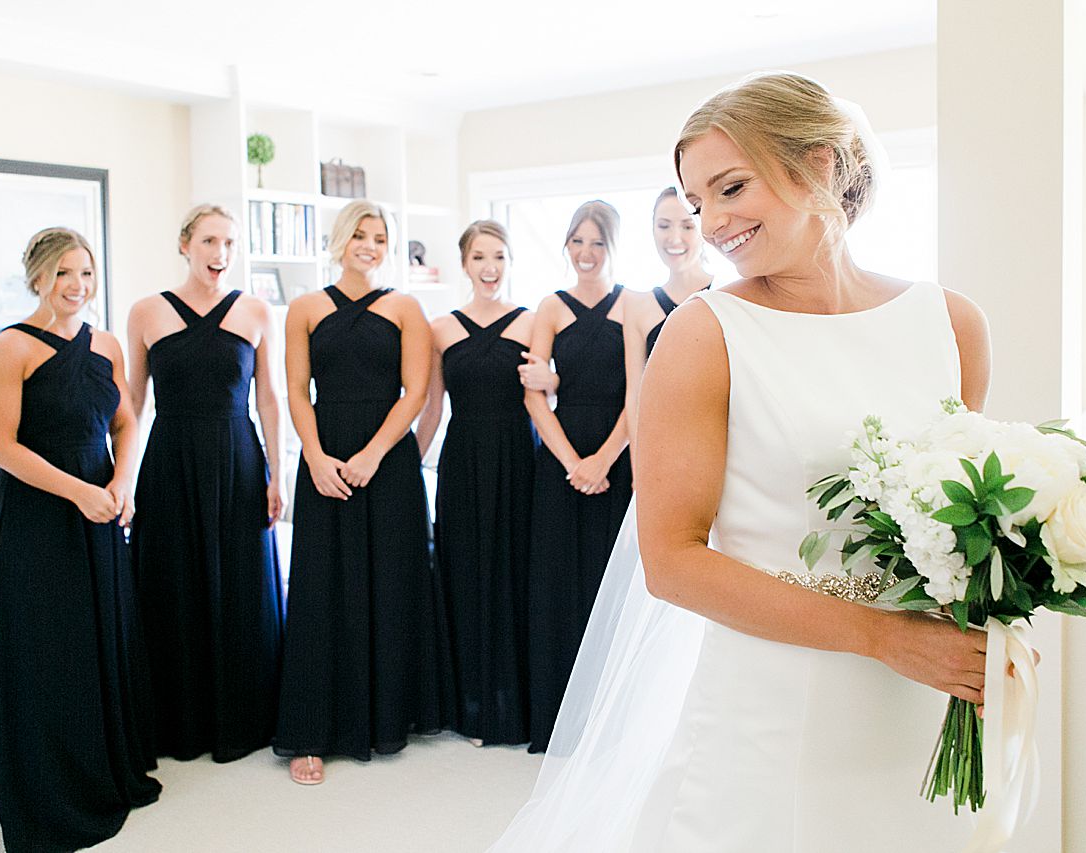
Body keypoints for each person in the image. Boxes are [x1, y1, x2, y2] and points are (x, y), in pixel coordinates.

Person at [492, 73, 993, 851]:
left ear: (820, 164)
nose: (711, 224)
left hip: (922, 697)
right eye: (697, 204)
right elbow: (672, 562)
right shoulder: (702, 333)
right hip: (775, 706)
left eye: (731, 188)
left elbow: (966, 522)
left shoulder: (952, 322)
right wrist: (882, 636)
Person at [0, 227, 160, 851]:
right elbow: (1, 447)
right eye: (62, 273)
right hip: (38, 514)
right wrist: (78, 492)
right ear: (36, 277)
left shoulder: (105, 344)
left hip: (101, 504)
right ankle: (49, 791)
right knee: (48, 645)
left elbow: (127, 418)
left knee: (100, 637)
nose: (76, 286)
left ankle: (103, 768)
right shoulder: (9, 348)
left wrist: (122, 480)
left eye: (85, 273)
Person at [274, 200, 449, 784]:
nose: (369, 245)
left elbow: (417, 391)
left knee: (392, 581)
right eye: (360, 235)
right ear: (340, 240)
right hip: (324, 458)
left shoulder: (405, 307)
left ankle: (387, 718)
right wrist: (316, 456)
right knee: (321, 589)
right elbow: (297, 390)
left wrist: (375, 453)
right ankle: (309, 735)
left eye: (379, 237)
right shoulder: (303, 308)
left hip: (388, 461)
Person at [127, 204, 286, 763]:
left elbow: (268, 397)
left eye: (230, 244)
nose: (221, 254)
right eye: (210, 241)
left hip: (238, 458)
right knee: (172, 584)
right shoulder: (146, 312)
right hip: (169, 461)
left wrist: (276, 471)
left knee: (243, 587)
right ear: (185, 245)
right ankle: (179, 724)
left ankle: (245, 721)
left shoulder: (258, 311)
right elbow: (132, 404)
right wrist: (120, 478)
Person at [417, 220, 536, 747]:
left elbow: (548, 396)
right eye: (480, 257)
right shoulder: (440, 327)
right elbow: (430, 407)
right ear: (464, 263)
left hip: (518, 459)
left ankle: (513, 704)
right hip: (462, 461)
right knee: (462, 572)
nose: (490, 268)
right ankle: (467, 704)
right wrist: (405, 468)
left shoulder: (533, 322)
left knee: (514, 573)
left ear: (511, 262)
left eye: (500, 257)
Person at [524, 200, 633, 753]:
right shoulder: (550, 306)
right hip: (560, 464)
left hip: (618, 460)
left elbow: (640, 395)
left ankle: (612, 725)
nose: (586, 254)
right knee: (557, 583)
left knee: (610, 585)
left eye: (597, 243)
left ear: (613, 247)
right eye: (577, 242)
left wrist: (603, 461)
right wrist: (572, 463)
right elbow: (535, 395)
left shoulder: (632, 306)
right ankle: (557, 719)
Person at [621, 187, 712, 457]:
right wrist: (639, 470)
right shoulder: (637, 306)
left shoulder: (727, 294)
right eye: (664, 226)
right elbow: (635, 395)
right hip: (659, 449)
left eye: (687, 225)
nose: (674, 238)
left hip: (719, 443)